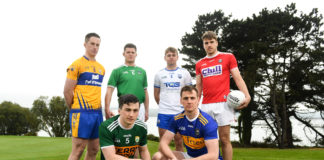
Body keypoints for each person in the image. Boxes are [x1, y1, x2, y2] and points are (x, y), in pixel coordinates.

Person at [195, 31, 251, 160]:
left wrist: (247, 96)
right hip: (206, 105)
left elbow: (238, 78)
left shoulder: (228, 57)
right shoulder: (199, 63)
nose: (209, 45)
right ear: (203, 45)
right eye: (206, 43)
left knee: (225, 139)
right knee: (205, 140)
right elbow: (199, 86)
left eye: (211, 42)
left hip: (224, 104)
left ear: (217, 42)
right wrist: (196, 103)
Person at [63, 32, 105, 160]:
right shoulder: (76, 65)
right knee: (78, 149)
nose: (95, 47)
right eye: (92, 44)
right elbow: (67, 91)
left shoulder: (101, 68)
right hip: (81, 112)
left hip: (97, 113)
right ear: (85, 44)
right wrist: (74, 109)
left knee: (94, 150)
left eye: (97, 45)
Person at [152, 85, 219, 160]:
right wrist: (173, 158)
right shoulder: (177, 119)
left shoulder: (207, 122)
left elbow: (213, 155)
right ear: (181, 101)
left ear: (198, 100)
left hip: (206, 158)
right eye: (186, 98)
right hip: (190, 156)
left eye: (192, 98)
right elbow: (163, 144)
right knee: (158, 156)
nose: (189, 102)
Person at [153, 47, 192, 151]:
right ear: (165, 57)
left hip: (180, 112)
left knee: (179, 142)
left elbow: (190, 93)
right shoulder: (159, 74)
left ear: (177, 57)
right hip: (164, 112)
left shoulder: (185, 73)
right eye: (169, 55)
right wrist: (163, 105)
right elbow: (156, 94)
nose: (171, 57)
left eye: (173, 55)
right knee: (163, 143)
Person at [105, 43, 149, 122]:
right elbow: (109, 90)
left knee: (139, 132)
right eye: (128, 52)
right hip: (124, 106)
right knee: (124, 132)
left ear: (136, 54)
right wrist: (106, 108)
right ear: (123, 54)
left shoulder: (142, 71)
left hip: (139, 107)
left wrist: (147, 110)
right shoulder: (117, 71)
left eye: (132, 52)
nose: (130, 54)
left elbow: (145, 92)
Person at [99, 94, 151, 160]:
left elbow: (144, 151)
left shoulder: (142, 127)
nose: (131, 115)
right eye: (128, 110)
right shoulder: (106, 127)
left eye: (135, 110)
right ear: (119, 111)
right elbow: (110, 158)